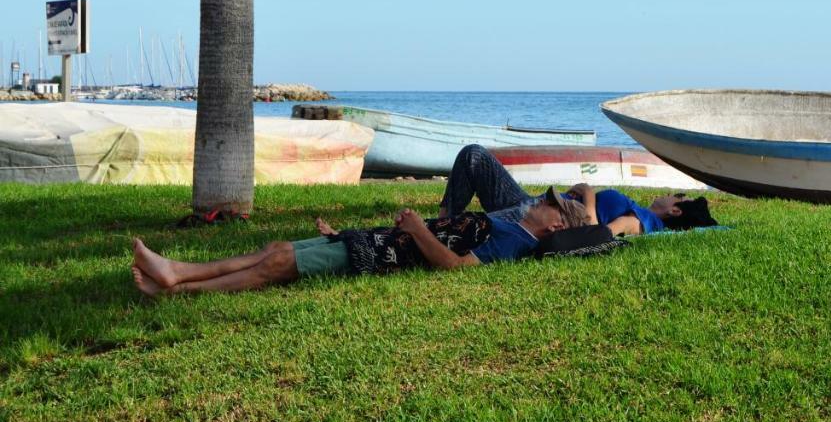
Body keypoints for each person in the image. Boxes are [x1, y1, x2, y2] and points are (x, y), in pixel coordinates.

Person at [130, 188, 587, 296]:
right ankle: (177, 272)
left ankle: (177, 287)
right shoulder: (516, 229)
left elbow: (459, 268)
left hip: (383, 256)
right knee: (276, 249)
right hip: (379, 241)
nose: (539, 201)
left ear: (553, 227)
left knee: (279, 263)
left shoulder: (515, 243)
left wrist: (418, 231)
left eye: (550, 204)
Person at [440, 144, 716, 237]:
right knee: (473, 155)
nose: (672, 193)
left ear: (675, 209)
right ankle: (442, 220)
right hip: (533, 202)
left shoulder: (642, 221)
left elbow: (597, 234)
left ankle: (433, 231)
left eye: (678, 196)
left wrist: (589, 196)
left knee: (471, 225)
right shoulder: (640, 210)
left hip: (537, 218)